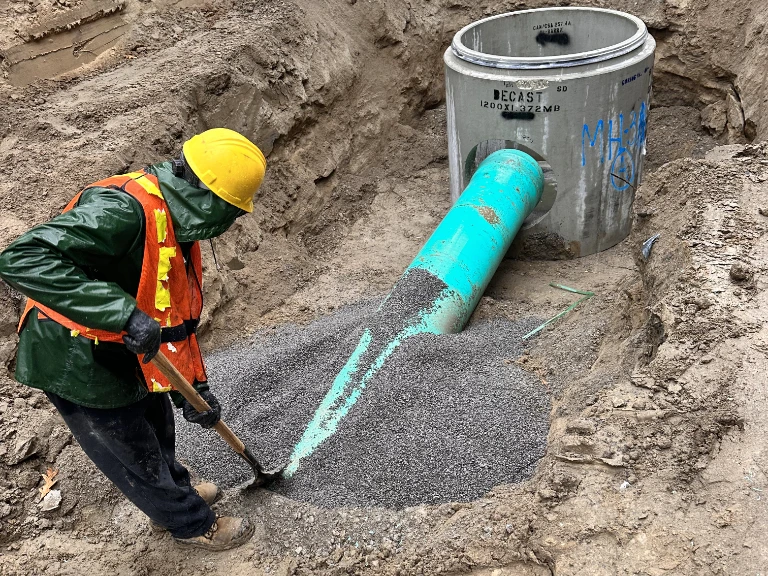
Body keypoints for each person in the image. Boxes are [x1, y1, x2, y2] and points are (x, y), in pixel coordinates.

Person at [0, 128, 266, 551]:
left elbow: (170, 308)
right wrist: (121, 312)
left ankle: (177, 488)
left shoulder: (172, 221)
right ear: (207, 200)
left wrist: (193, 389)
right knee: (132, 450)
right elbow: (21, 258)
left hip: (122, 343)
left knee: (157, 423)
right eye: (232, 210)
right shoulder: (122, 211)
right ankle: (189, 524)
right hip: (74, 355)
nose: (233, 221)